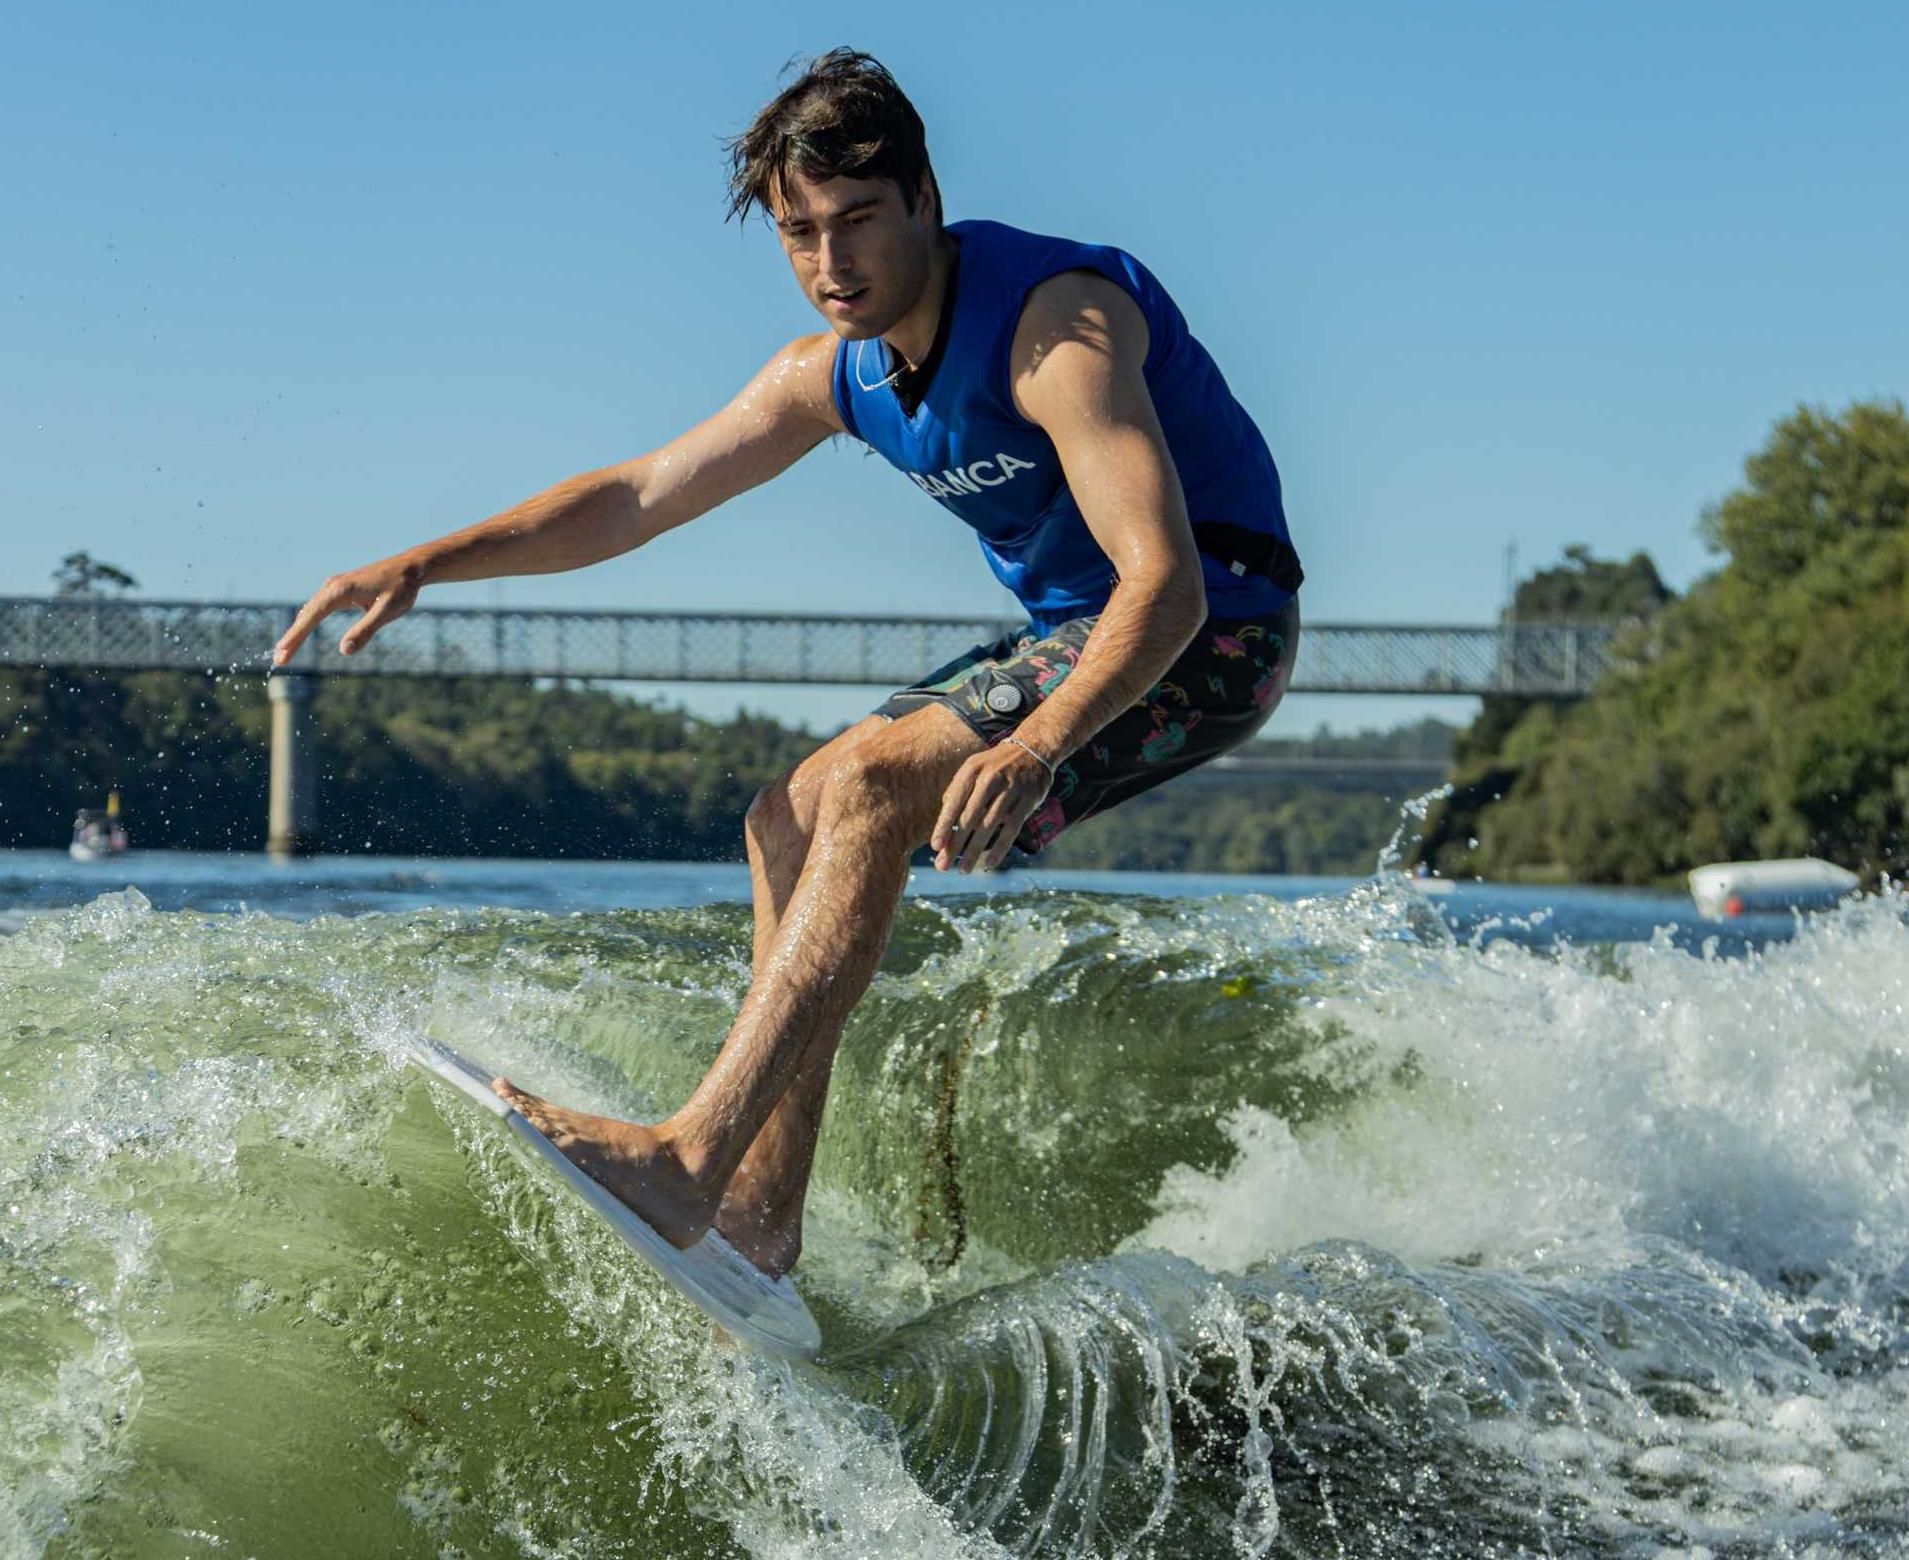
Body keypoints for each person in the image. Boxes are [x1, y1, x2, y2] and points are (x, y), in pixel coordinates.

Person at [272, 50, 1303, 1279]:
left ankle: (685, 1160)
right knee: (786, 819)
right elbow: (637, 496)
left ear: (924, 197)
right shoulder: (836, 373)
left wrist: (1035, 744)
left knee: (868, 781)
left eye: (859, 219)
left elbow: (1166, 585)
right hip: (1068, 634)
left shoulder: (1053, 329)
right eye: (799, 232)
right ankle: (759, 1218)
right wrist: (428, 562)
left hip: (1211, 632)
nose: (832, 262)